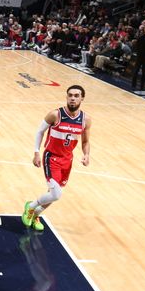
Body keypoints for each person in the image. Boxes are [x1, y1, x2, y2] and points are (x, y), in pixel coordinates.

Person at [21, 85, 92, 232]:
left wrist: (86, 155)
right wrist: (36, 152)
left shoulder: (85, 119)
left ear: (82, 98)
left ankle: (36, 215)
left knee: (52, 193)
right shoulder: (55, 114)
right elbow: (40, 132)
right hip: (51, 157)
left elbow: (85, 142)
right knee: (56, 194)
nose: (72, 98)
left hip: (67, 160)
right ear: (66, 97)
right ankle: (31, 207)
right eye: (70, 95)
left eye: (76, 95)